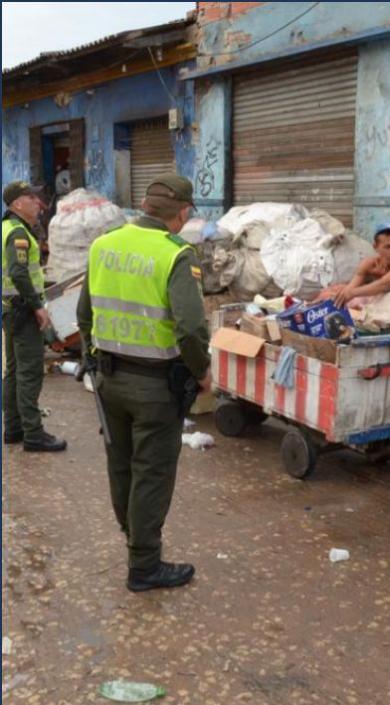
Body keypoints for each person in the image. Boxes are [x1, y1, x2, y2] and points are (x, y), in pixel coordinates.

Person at [76, 174, 209, 592]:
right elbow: (189, 329)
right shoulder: (176, 255)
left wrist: (93, 358)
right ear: (182, 213)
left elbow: (84, 313)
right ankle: (144, 565)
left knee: (121, 464)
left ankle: (132, 534)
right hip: (155, 388)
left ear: (145, 206)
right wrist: (202, 371)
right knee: (151, 471)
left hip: (109, 380)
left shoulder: (103, 245)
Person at [3, 180, 66, 452]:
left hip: (10, 309)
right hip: (22, 309)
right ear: (18, 204)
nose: (39, 203)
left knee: (15, 371)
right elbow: (18, 273)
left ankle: (14, 428)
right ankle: (33, 433)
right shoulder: (17, 232)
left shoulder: (8, 227)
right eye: (32, 198)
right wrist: (37, 306)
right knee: (29, 373)